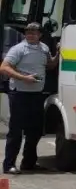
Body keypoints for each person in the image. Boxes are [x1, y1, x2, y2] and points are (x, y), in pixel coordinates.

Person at [1, 22, 58, 174]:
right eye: (28, 32)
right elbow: (4, 67)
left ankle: (29, 163)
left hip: (37, 94)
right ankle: (9, 165)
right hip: (19, 93)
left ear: (40, 35)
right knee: (16, 131)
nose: (30, 35)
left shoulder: (44, 48)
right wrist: (24, 78)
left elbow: (50, 65)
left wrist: (58, 54)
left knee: (35, 130)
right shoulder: (19, 49)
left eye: (34, 32)